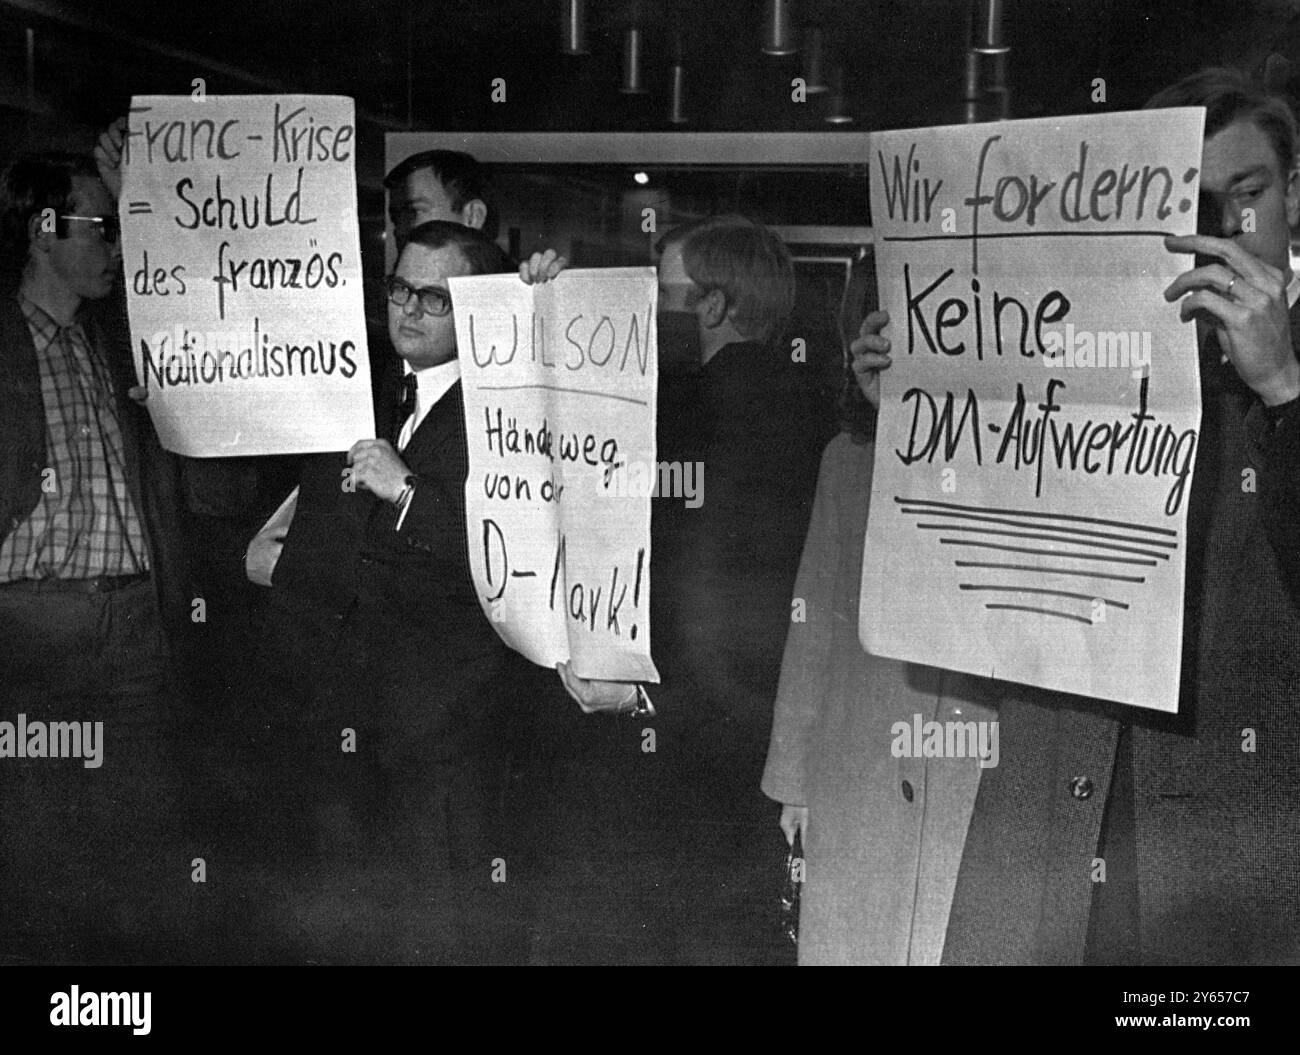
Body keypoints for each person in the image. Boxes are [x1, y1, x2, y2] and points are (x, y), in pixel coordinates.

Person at [930, 68, 1300, 964]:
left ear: (1294, 194)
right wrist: (916, 404)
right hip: (1050, 828)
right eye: (1186, 203)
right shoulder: (1069, 354)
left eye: (1243, 196)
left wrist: (1285, 386)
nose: (1215, 232)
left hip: (1230, 865)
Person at [556, 216, 832, 963]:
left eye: (661, 289)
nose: (647, 305)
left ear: (710, 307)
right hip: (781, 728)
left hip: (679, 723)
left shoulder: (674, 413)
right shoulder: (825, 408)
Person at [761, 262, 997, 965]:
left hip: (977, 775)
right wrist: (793, 783)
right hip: (857, 776)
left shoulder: (1028, 469)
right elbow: (811, 625)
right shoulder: (848, 459)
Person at [0, 151, 189, 958]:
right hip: (35, 622)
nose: (116, 245)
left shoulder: (114, 344)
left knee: (139, 829)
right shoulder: (7, 344)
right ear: (44, 231)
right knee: (39, 834)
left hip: (135, 616)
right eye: (100, 226)